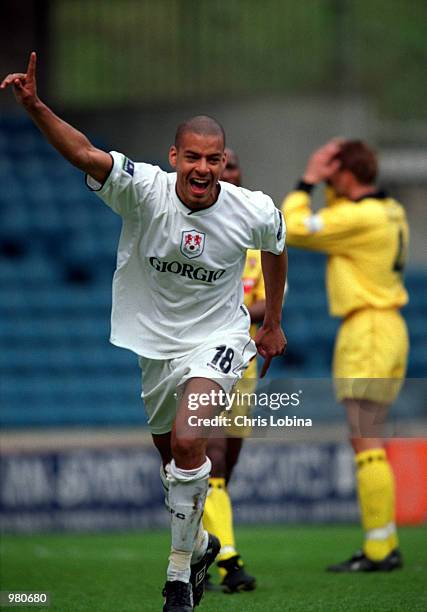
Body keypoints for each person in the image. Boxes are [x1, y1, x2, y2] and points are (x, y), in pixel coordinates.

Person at [2, 53, 287, 610]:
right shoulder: (143, 190)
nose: (204, 169)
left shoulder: (251, 209)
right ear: (174, 157)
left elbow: (277, 247)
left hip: (220, 340)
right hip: (154, 346)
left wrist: (272, 321)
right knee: (172, 461)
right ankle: (202, 544)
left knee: (188, 441)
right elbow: (84, 152)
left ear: (222, 160)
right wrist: (35, 106)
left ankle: (178, 576)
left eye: (214, 159)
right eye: (193, 158)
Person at [281, 139, 409, 572]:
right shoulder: (389, 209)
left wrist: (307, 180)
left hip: (368, 327)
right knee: (370, 435)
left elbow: (292, 226)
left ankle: (379, 549)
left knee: (364, 437)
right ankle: (382, 541)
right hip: (387, 325)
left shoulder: (358, 217)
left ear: (346, 177)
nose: (328, 187)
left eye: (334, 180)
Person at [202, 148, 263, 593]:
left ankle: (204, 542)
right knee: (215, 458)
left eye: (231, 165)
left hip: (245, 362)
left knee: (230, 460)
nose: (227, 171)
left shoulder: (257, 236)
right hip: (204, 355)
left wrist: (235, 309)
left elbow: (267, 301)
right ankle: (229, 560)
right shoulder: (195, 226)